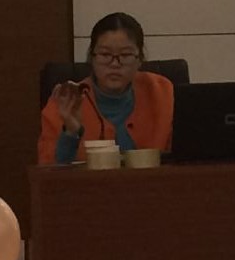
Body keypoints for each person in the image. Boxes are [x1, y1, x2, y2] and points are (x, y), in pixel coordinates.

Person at [38, 12, 173, 164]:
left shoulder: (163, 93)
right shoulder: (65, 102)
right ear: (92, 57)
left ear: (139, 59)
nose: (114, 64)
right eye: (105, 54)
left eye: (125, 55)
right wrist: (71, 132)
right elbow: (48, 171)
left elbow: (182, 160)